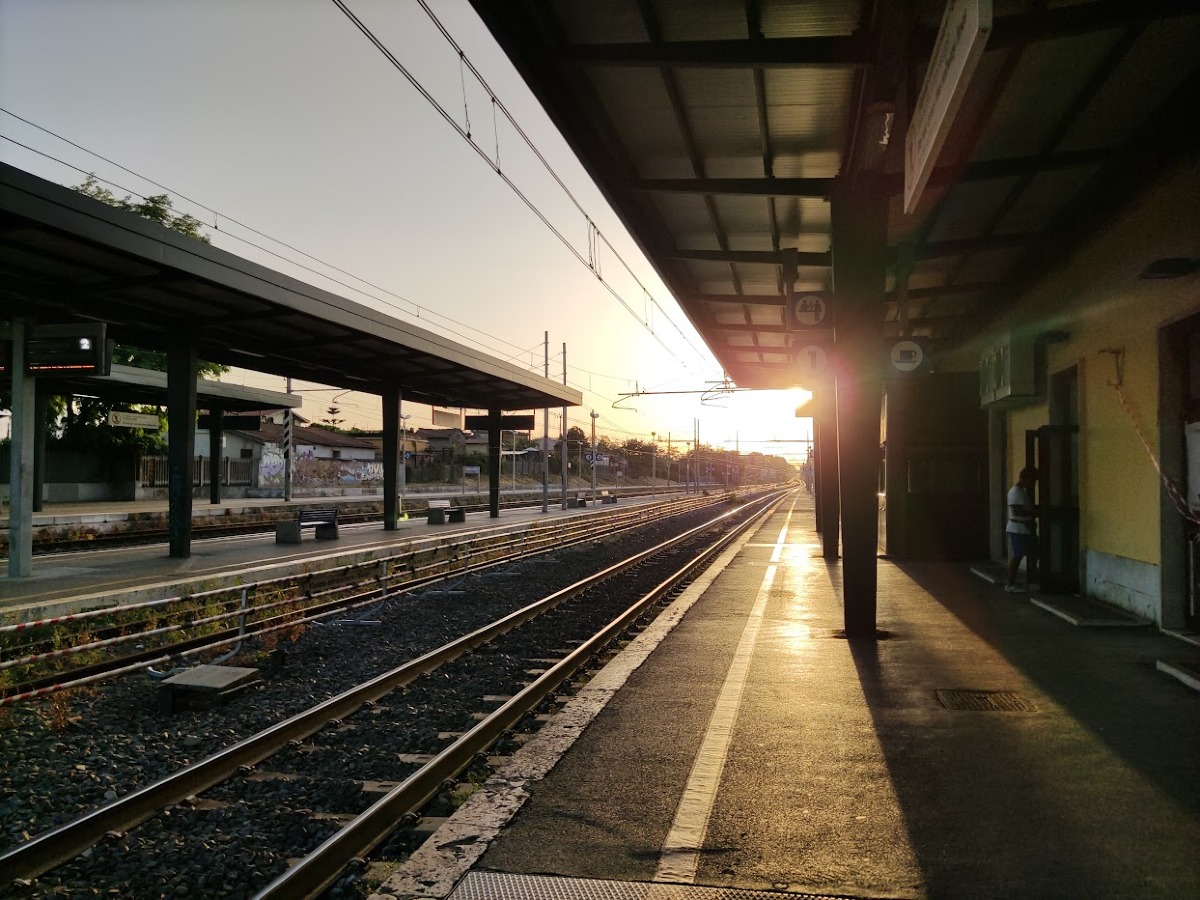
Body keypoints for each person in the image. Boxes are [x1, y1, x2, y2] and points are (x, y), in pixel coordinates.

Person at [1005, 467, 1038, 592]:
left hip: (1024, 528)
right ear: (1027, 479)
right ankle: (1010, 584)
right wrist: (1031, 515)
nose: (1033, 484)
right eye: (1032, 481)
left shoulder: (1021, 491)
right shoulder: (1016, 492)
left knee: (1032, 554)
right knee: (1017, 556)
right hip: (1018, 528)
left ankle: (1031, 581)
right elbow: (1015, 512)